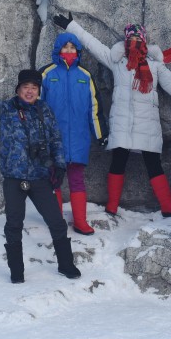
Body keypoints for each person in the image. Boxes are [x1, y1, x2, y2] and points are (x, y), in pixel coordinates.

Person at [53, 13, 171, 217]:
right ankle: (112, 206)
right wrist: (71, 25)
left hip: (147, 125)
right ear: (125, 41)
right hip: (122, 123)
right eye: (130, 39)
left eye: (138, 39)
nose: (134, 43)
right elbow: (92, 44)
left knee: (153, 165)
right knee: (118, 162)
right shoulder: (118, 62)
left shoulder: (155, 66)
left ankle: (167, 207)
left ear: (145, 42)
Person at [0, 66, 82, 283]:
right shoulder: (6, 109)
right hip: (14, 177)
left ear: (38, 91)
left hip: (40, 176)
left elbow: (56, 140)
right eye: (25, 87)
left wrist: (59, 167)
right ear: (18, 89)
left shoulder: (45, 111)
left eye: (34, 87)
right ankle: (17, 272)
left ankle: (66, 265)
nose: (30, 91)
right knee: (14, 224)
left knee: (56, 221)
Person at [40, 32, 106, 235]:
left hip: (79, 137)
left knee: (77, 178)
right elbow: (37, 107)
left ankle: (80, 221)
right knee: (54, 179)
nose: (68, 51)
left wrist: (100, 134)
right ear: (57, 49)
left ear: (78, 50)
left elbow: (94, 108)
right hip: (53, 138)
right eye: (65, 47)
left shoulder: (85, 76)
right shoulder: (47, 74)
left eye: (72, 47)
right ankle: (56, 221)